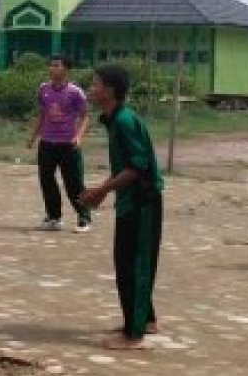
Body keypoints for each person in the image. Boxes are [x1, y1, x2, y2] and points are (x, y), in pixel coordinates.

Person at [78, 65, 165, 351]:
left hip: (142, 203)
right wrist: (103, 191)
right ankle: (146, 320)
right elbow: (124, 167)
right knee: (130, 263)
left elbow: (137, 168)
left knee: (133, 266)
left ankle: (134, 334)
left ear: (110, 91)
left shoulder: (125, 121)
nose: (91, 89)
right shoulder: (115, 120)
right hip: (131, 201)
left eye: (95, 84)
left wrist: (103, 190)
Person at [25, 55, 92, 232]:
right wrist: (33, 137)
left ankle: (84, 217)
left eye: (56, 65)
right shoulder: (43, 89)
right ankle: (54, 217)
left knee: (74, 182)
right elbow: (42, 114)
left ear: (65, 69)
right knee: (46, 180)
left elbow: (85, 116)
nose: (51, 68)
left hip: (68, 145)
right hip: (47, 143)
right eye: (50, 65)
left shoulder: (75, 92)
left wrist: (79, 136)